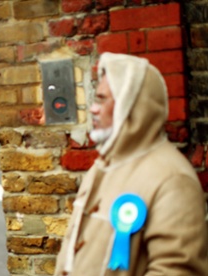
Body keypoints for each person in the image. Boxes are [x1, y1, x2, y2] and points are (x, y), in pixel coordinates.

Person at [54, 53, 208, 275]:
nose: (93, 109)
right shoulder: (104, 165)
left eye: (101, 99)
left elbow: (176, 270)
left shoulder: (174, 180)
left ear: (131, 106)